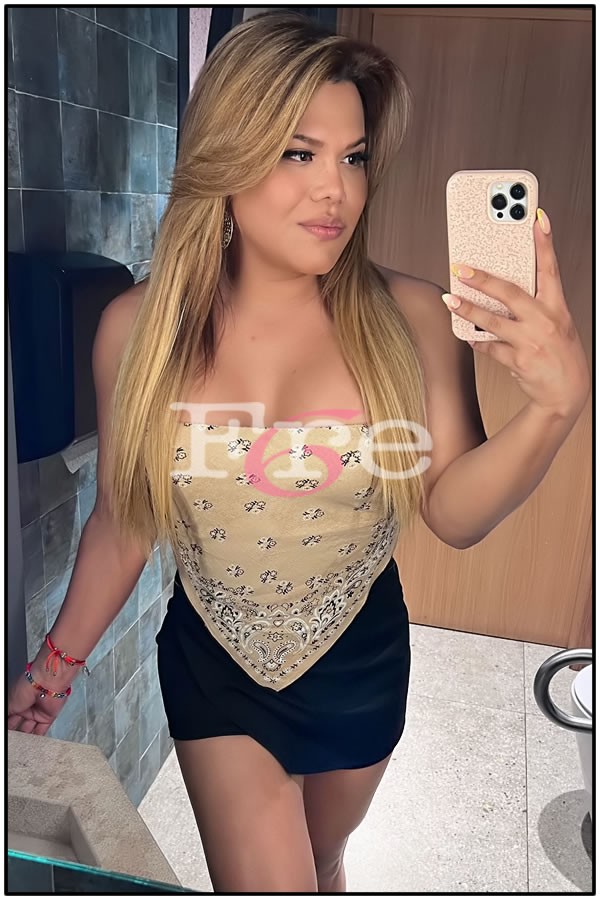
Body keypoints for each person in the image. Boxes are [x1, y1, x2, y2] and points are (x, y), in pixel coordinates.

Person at [7, 10, 589, 894]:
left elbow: (453, 511)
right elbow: (123, 522)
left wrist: (555, 408)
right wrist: (56, 666)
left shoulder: (415, 317)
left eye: (353, 157)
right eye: (298, 152)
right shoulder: (138, 330)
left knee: (319, 864)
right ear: (228, 156)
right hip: (215, 667)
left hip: (360, 663)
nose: (335, 190)